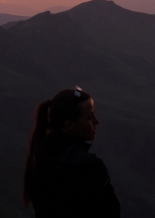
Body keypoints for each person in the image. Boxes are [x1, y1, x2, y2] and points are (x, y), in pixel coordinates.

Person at [23, 87, 120, 217]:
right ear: (69, 126)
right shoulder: (90, 168)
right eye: (90, 117)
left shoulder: (40, 157)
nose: (97, 121)